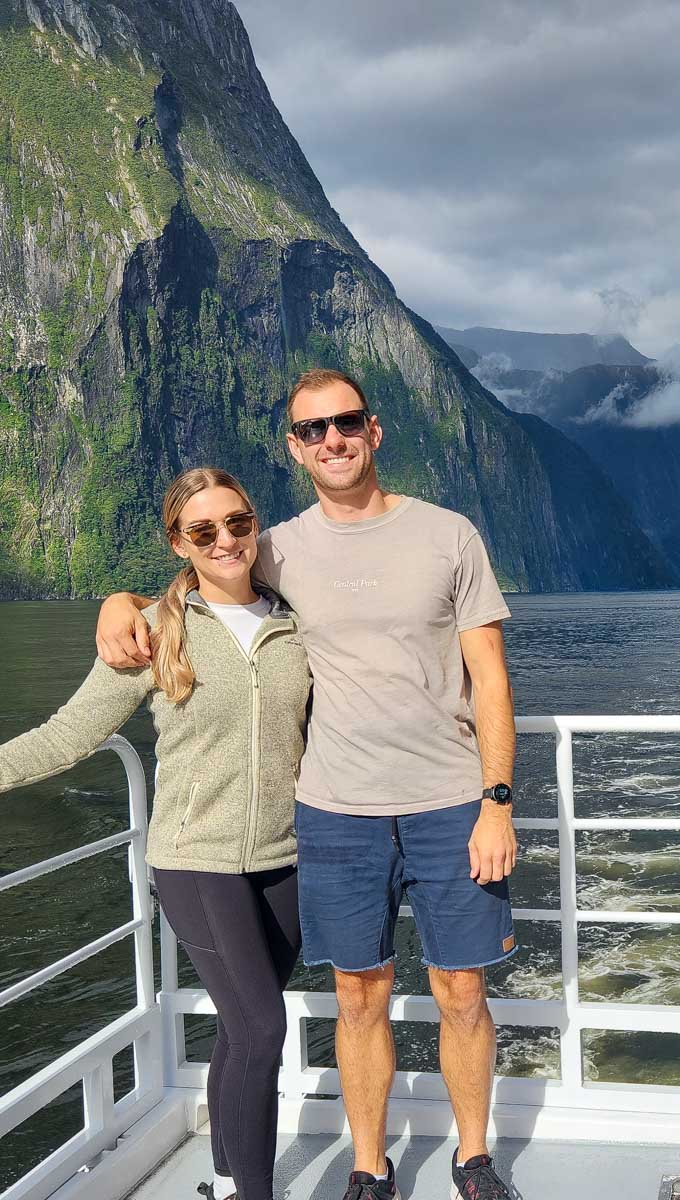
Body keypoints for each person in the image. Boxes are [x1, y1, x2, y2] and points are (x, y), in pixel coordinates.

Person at [97, 369, 520, 1200]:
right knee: (359, 994)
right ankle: (370, 1168)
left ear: (375, 429)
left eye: (347, 422)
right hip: (334, 811)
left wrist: (496, 802)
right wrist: (117, 603)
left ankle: (474, 1159)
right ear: (294, 447)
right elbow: (199, 578)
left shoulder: (449, 536)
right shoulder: (278, 542)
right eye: (313, 430)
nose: (333, 439)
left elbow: (492, 677)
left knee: (462, 990)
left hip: (448, 801)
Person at [0, 468, 312, 1200]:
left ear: (254, 523)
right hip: (196, 862)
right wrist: (121, 603)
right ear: (179, 542)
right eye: (203, 531)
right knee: (265, 1030)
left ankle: (231, 1180)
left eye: (237, 523)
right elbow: (67, 735)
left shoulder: (295, 622)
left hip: (288, 857)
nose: (226, 541)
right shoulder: (156, 629)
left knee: (242, 1029)